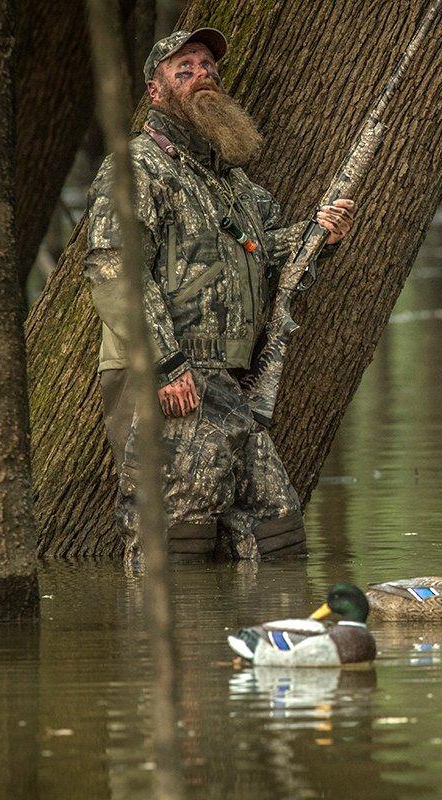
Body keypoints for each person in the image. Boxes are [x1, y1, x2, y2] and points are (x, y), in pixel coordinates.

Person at [84, 28, 355, 564]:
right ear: (156, 93)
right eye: (183, 70)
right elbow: (114, 270)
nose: (200, 74)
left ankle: (247, 643)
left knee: (277, 530)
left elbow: (260, 253)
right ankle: (166, 646)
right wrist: (166, 365)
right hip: (164, 375)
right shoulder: (136, 165)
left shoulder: (230, 180)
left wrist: (317, 236)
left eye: (206, 66)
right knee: (178, 534)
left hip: (227, 382)